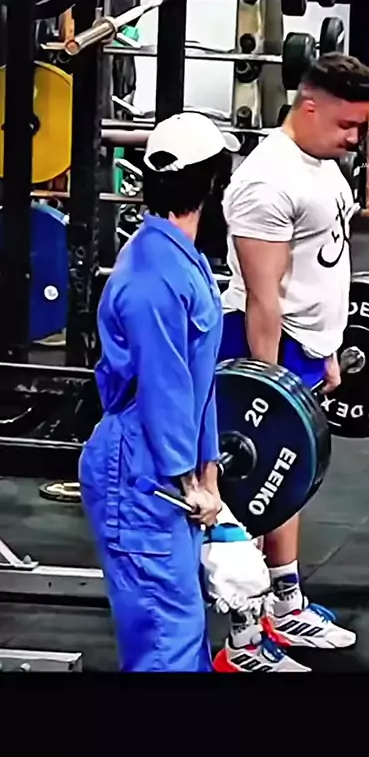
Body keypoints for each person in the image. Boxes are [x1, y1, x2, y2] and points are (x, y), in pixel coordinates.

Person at [214, 52, 369, 672]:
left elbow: (327, 264)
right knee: (249, 493)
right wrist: (269, 387)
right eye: (346, 125)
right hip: (263, 349)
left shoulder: (322, 165)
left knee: (289, 478)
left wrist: (327, 348)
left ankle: (284, 605)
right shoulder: (267, 182)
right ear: (309, 107)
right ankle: (241, 642)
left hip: (303, 351)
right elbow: (264, 297)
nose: (355, 138)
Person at [79, 112, 240, 673]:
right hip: (141, 470)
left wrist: (210, 475)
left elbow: (199, 381)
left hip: (165, 467)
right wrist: (189, 480)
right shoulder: (154, 274)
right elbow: (164, 390)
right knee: (165, 639)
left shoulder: (181, 258)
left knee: (184, 631)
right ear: (212, 184)